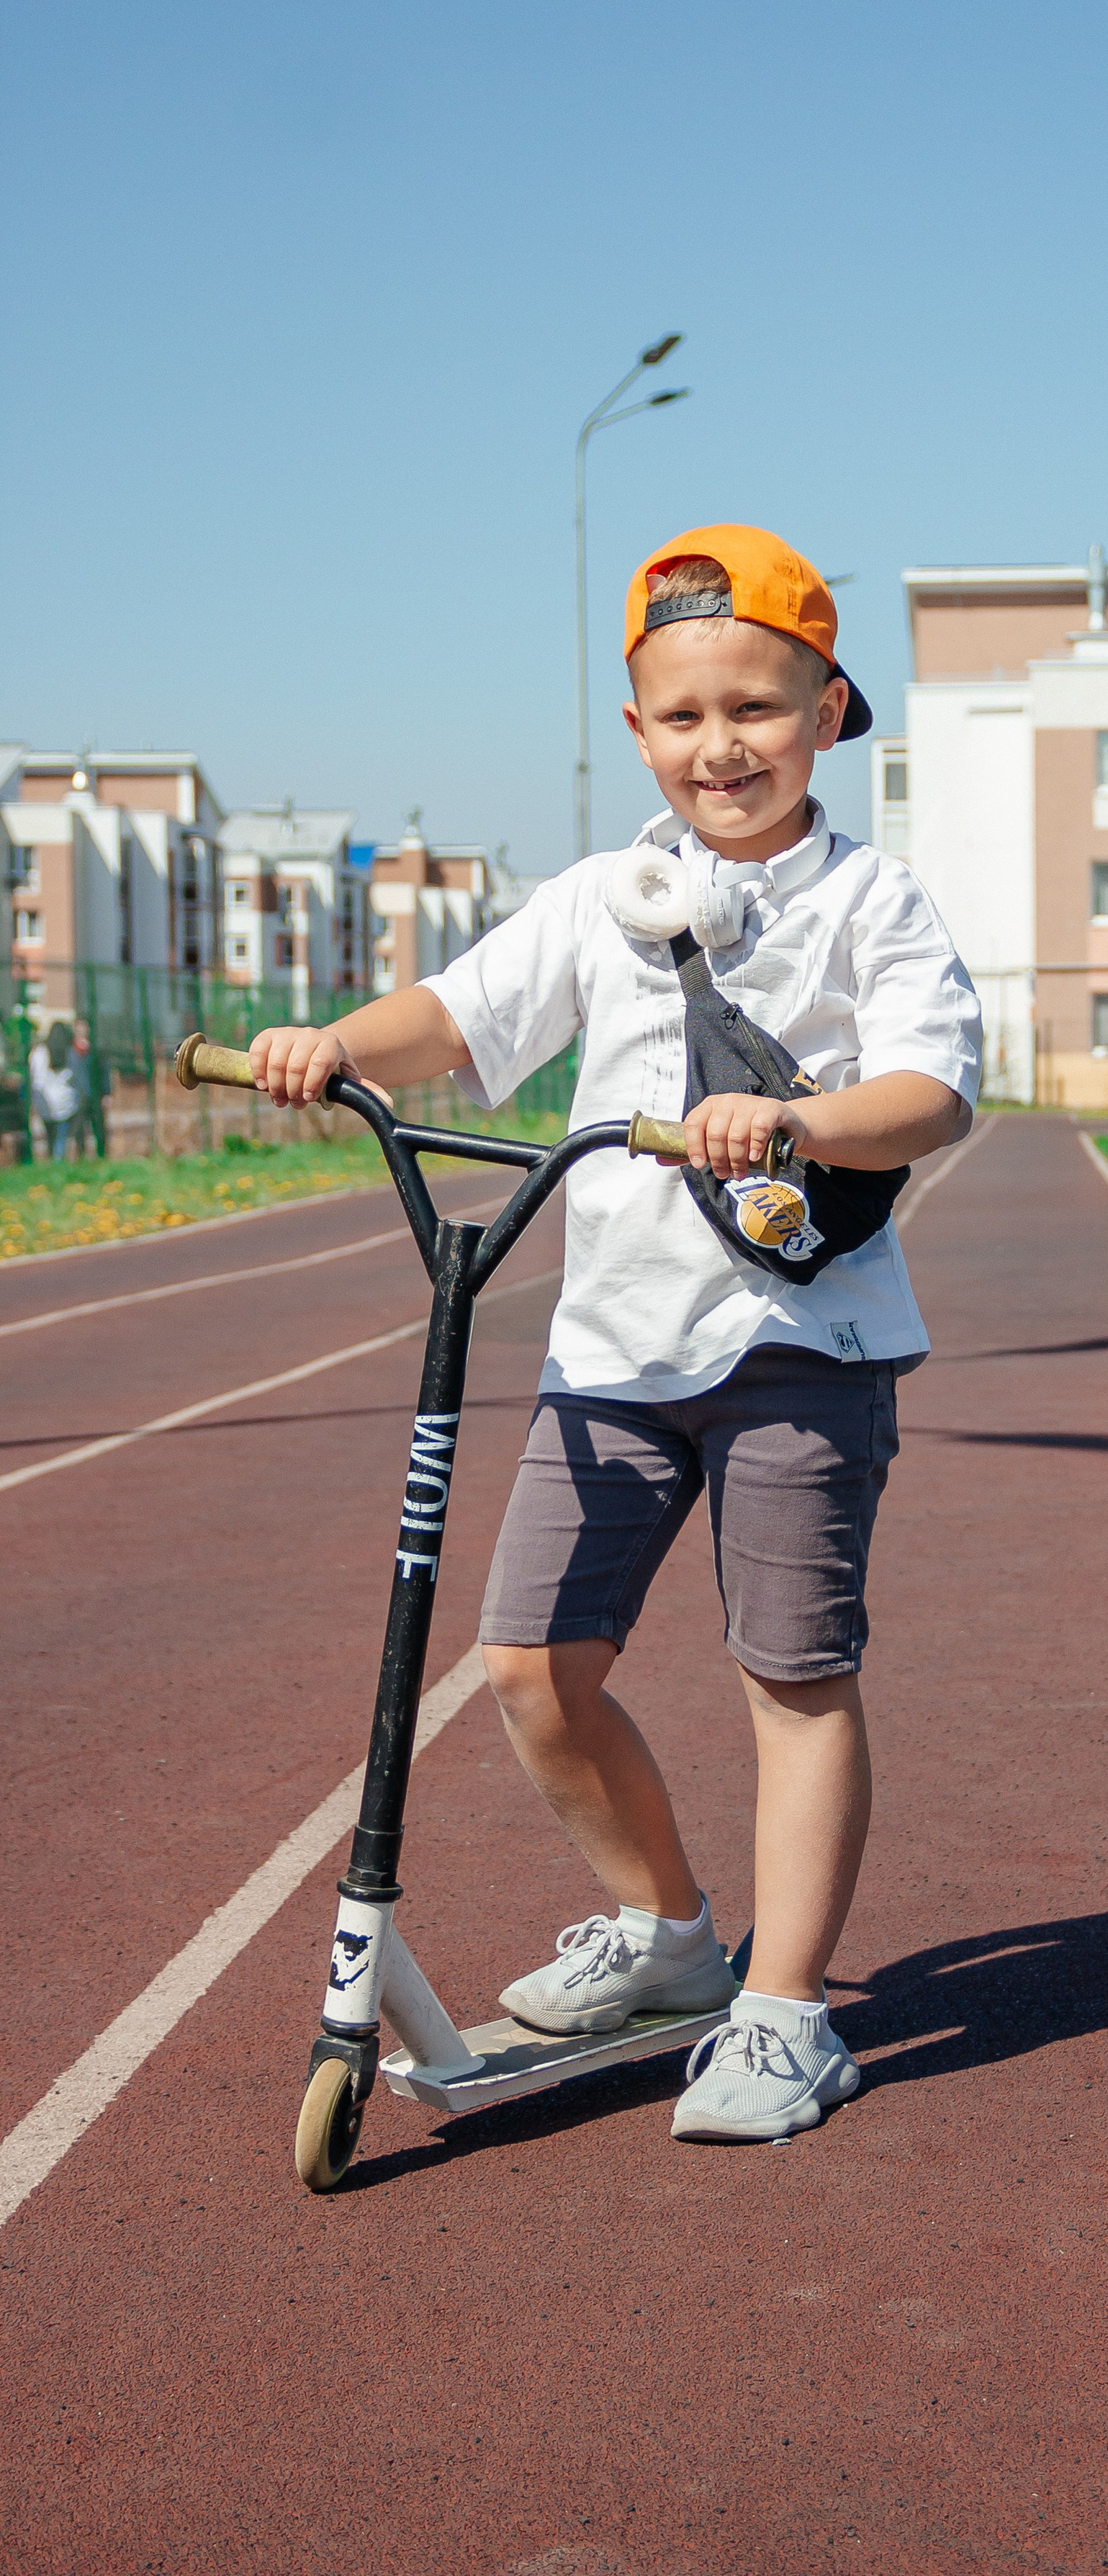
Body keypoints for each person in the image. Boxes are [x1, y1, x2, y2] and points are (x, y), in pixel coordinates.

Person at [248, 525, 981, 2146]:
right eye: (682, 714)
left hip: (803, 1346)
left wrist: (795, 1124)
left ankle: (787, 2014)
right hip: (612, 1354)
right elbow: (455, 1019)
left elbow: (932, 1091)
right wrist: (325, 1045)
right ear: (638, 730)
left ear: (828, 708)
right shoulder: (601, 899)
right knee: (530, 1664)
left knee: (791, 1674)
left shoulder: (873, 900)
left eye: (758, 706)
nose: (722, 744)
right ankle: (671, 1937)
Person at [29, 1020, 81, 1158]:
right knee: (61, 1136)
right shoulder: (69, 1052)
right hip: (65, 1102)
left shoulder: (39, 1053)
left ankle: (51, 1157)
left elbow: (36, 1079)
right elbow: (76, 1077)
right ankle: (58, 1160)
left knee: (50, 1136)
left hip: (44, 1103)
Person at [71, 1018, 109, 1158]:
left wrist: (107, 1092)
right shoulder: (70, 1050)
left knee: (99, 1128)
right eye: (78, 1027)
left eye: (84, 1027)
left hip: (94, 1095)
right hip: (78, 1096)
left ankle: (101, 1155)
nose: (81, 1030)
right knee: (79, 1129)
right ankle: (82, 1156)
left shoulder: (96, 1049)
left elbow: (104, 1071)